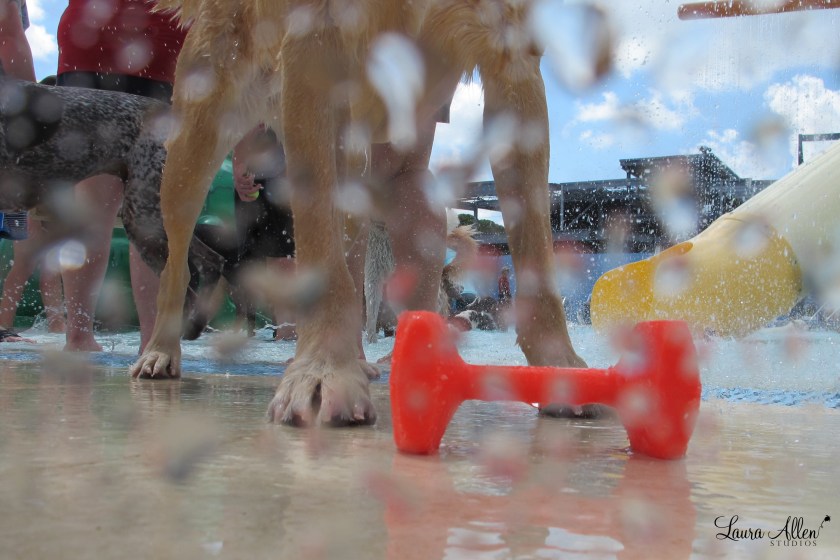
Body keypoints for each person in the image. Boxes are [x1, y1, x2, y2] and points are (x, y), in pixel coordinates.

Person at [56, 0, 186, 352]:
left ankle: (79, 335)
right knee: (151, 213)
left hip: (91, 39)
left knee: (91, 210)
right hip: (161, 40)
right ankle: (153, 342)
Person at [0, 1, 66, 338]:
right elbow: (10, 32)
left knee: (45, 265)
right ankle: (4, 324)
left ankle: (55, 325)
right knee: (27, 260)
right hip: (26, 187)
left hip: (34, 190)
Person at [231, 125, 297, 341]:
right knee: (250, 263)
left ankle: (288, 331)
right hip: (256, 170)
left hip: (286, 171)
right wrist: (239, 165)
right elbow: (241, 117)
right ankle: (282, 331)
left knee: (284, 258)